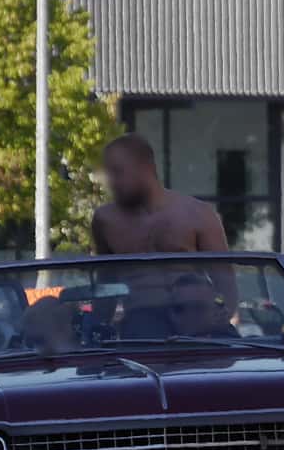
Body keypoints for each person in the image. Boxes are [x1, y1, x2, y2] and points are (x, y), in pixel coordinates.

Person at [92, 133, 234, 332]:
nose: (112, 182)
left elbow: (225, 280)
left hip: (194, 320)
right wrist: (96, 328)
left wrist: (220, 318)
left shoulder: (197, 214)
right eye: (110, 174)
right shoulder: (106, 220)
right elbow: (106, 283)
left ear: (146, 168)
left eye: (118, 172)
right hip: (140, 325)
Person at [167, 270, 235, 337]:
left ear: (216, 312)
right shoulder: (161, 340)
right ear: (169, 312)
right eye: (179, 309)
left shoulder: (231, 341)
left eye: (198, 308)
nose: (190, 316)